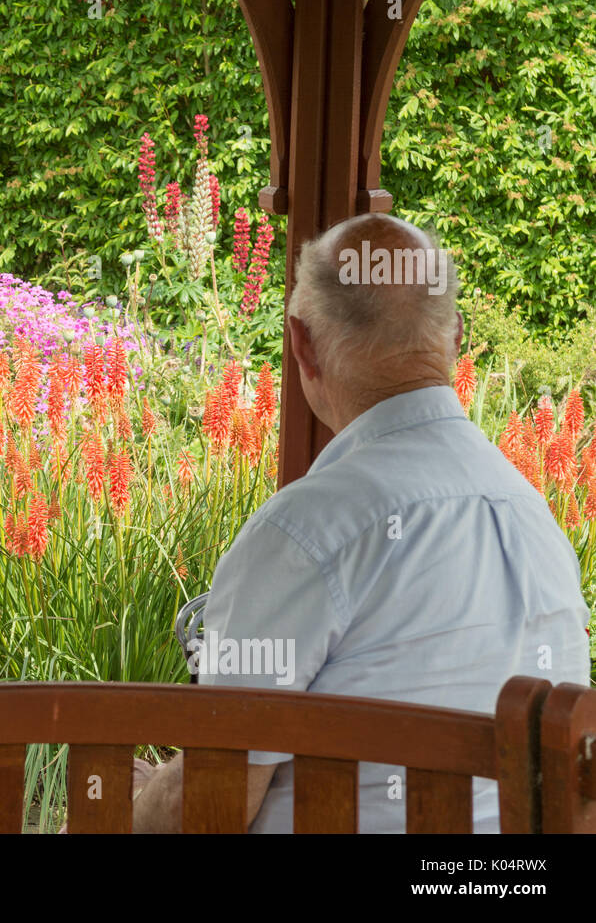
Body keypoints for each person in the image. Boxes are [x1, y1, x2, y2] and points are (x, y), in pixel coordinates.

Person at [133, 213, 591, 833]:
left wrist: (131, 804)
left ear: (302, 342)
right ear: (455, 335)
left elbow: (211, 805)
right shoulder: (534, 517)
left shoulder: (304, 533)